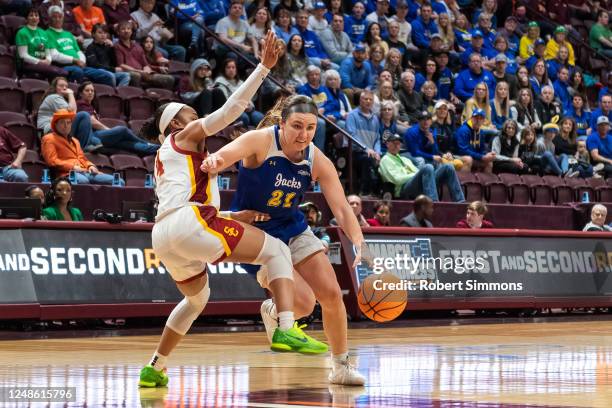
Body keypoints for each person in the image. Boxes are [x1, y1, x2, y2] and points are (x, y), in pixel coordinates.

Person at [139, 33, 329, 389]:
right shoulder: (183, 136)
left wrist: (229, 218)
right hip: (189, 223)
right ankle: (286, 328)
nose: (197, 117)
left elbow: (184, 205)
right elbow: (230, 111)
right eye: (190, 114)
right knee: (277, 250)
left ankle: (155, 366)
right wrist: (263, 68)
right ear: (176, 124)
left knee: (197, 300)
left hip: (165, 233)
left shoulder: (167, 159)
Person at [200, 94, 367, 385]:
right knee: (303, 305)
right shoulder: (261, 141)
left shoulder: (316, 158)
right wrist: (216, 160)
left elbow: (340, 207)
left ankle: (341, 366)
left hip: (293, 227)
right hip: (256, 233)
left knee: (330, 294)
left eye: (311, 128)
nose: (304, 135)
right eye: (297, 126)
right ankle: (275, 310)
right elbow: (227, 154)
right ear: (282, 124)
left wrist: (358, 241)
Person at [41, 109, 124, 186]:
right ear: (55, 124)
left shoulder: (75, 140)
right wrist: (73, 167)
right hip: (66, 174)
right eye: (62, 122)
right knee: (83, 181)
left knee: (119, 181)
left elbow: (82, 158)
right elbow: (52, 161)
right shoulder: (49, 138)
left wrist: (90, 166)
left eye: (68, 122)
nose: (66, 125)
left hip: (85, 171)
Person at [76, 81, 159, 156]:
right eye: (87, 90)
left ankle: (158, 150)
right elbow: (93, 122)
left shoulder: (91, 106)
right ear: (80, 93)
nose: (90, 93)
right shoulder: (81, 104)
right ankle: (146, 143)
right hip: (92, 137)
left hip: (99, 138)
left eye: (92, 90)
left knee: (127, 144)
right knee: (123, 130)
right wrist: (108, 130)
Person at [379, 133, 465, 202]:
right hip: (403, 189)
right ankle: (434, 202)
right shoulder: (385, 160)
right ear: (387, 144)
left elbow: (419, 172)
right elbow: (397, 180)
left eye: (398, 143)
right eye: (393, 143)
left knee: (448, 167)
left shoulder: (405, 159)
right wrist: (416, 174)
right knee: (427, 167)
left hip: (416, 184)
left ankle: (460, 201)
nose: (396, 145)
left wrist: (419, 174)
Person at [114, 21, 174, 89]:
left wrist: (147, 70)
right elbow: (121, 64)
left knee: (169, 79)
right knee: (136, 75)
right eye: (123, 29)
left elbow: (145, 64)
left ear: (131, 31)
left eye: (128, 29)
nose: (126, 31)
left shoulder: (137, 46)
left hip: (143, 72)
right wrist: (139, 71)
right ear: (118, 32)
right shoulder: (117, 46)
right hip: (130, 72)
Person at [16, 7, 68, 80]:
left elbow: (48, 52)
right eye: (31, 15)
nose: (34, 17)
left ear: (39, 18)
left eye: (36, 15)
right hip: (28, 64)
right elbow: (23, 55)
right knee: (58, 72)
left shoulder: (43, 33)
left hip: (43, 63)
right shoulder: (22, 33)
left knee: (64, 72)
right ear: (26, 18)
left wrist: (48, 60)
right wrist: (39, 61)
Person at [346, 90, 381, 196]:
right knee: (367, 159)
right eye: (366, 99)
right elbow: (352, 135)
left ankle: (381, 193)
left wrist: (378, 152)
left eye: (371, 99)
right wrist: (366, 149)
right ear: (360, 101)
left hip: (371, 152)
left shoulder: (375, 118)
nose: (368, 101)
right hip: (356, 153)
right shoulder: (352, 115)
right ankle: (365, 193)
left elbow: (377, 139)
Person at [214, 58, 265, 128]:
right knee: (244, 118)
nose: (231, 69)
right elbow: (224, 100)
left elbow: (248, 96)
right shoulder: (220, 81)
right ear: (224, 69)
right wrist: (240, 106)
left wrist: (250, 106)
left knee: (260, 118)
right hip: (232, 111)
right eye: (228, 67)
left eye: (233, 67)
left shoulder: (240, 82)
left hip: (247, 109)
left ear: (236, 70)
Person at [454, 109, 496, 173]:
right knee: (468, 160)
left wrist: (487, 155)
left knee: (489, 162)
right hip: (456, 156)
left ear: (483, 121)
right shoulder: (464, 130)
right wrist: (482, 157)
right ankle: (463, 182)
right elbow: (463, 150)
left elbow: (481, 150)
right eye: (476, 118)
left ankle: (483, 182)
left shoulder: (481, 132)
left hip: (472, 156)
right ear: (471, 118)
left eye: (481, 118)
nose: (478, 120)